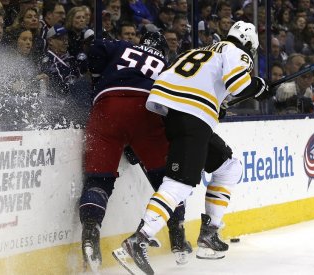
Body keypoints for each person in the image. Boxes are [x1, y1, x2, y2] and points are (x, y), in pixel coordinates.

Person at [113, 21, 272, 275]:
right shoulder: (235, 51)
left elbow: (212, 90)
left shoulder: (200, 51)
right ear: (249, 44)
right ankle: (138, 239)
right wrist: (259, 86)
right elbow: (239, 85)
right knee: (179, 184)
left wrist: (223, 102)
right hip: (193, 115)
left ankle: (210, 234)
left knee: (229, 166)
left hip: (173, 112)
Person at [79, 31, 192, 273]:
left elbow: (96, 48)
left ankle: (90, 231)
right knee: (168, 180)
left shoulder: (122, 45)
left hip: (106, 107)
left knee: (99, 180)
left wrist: (99, 77)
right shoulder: (167, 64)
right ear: (163, 50)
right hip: (147, 112)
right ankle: (177, 234)